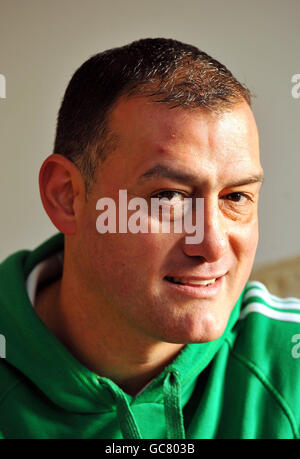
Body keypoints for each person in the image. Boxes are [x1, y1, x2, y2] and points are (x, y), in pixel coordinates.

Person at [0, 38, 299, 440]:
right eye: (169, 197)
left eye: (236, 197)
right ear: (67, 197)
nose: (211, 245)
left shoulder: (288, 365)